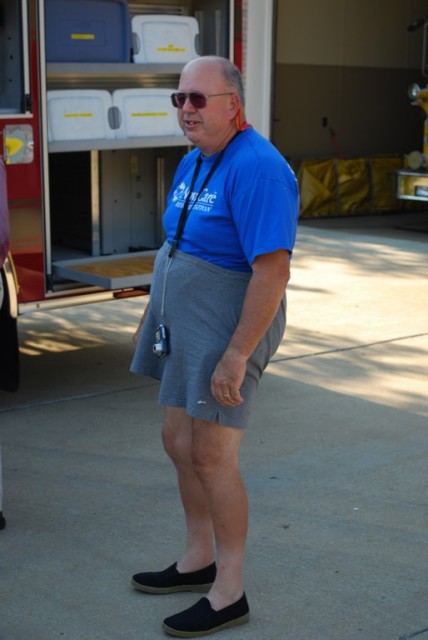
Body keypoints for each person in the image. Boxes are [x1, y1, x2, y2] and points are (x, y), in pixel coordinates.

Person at [130, 55, 299, 637]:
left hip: (230, 328)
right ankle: (196, 559)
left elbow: (272, 273)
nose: (186, 110)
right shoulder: (194, 161)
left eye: (199, 99)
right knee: (178, 440)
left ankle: (229, 592)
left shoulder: (260, 169)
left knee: (212, 455)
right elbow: (175, 246)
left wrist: (236, 353)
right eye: (180, 99)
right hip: (185, 324)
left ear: (234, 103)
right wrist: (153, 312)